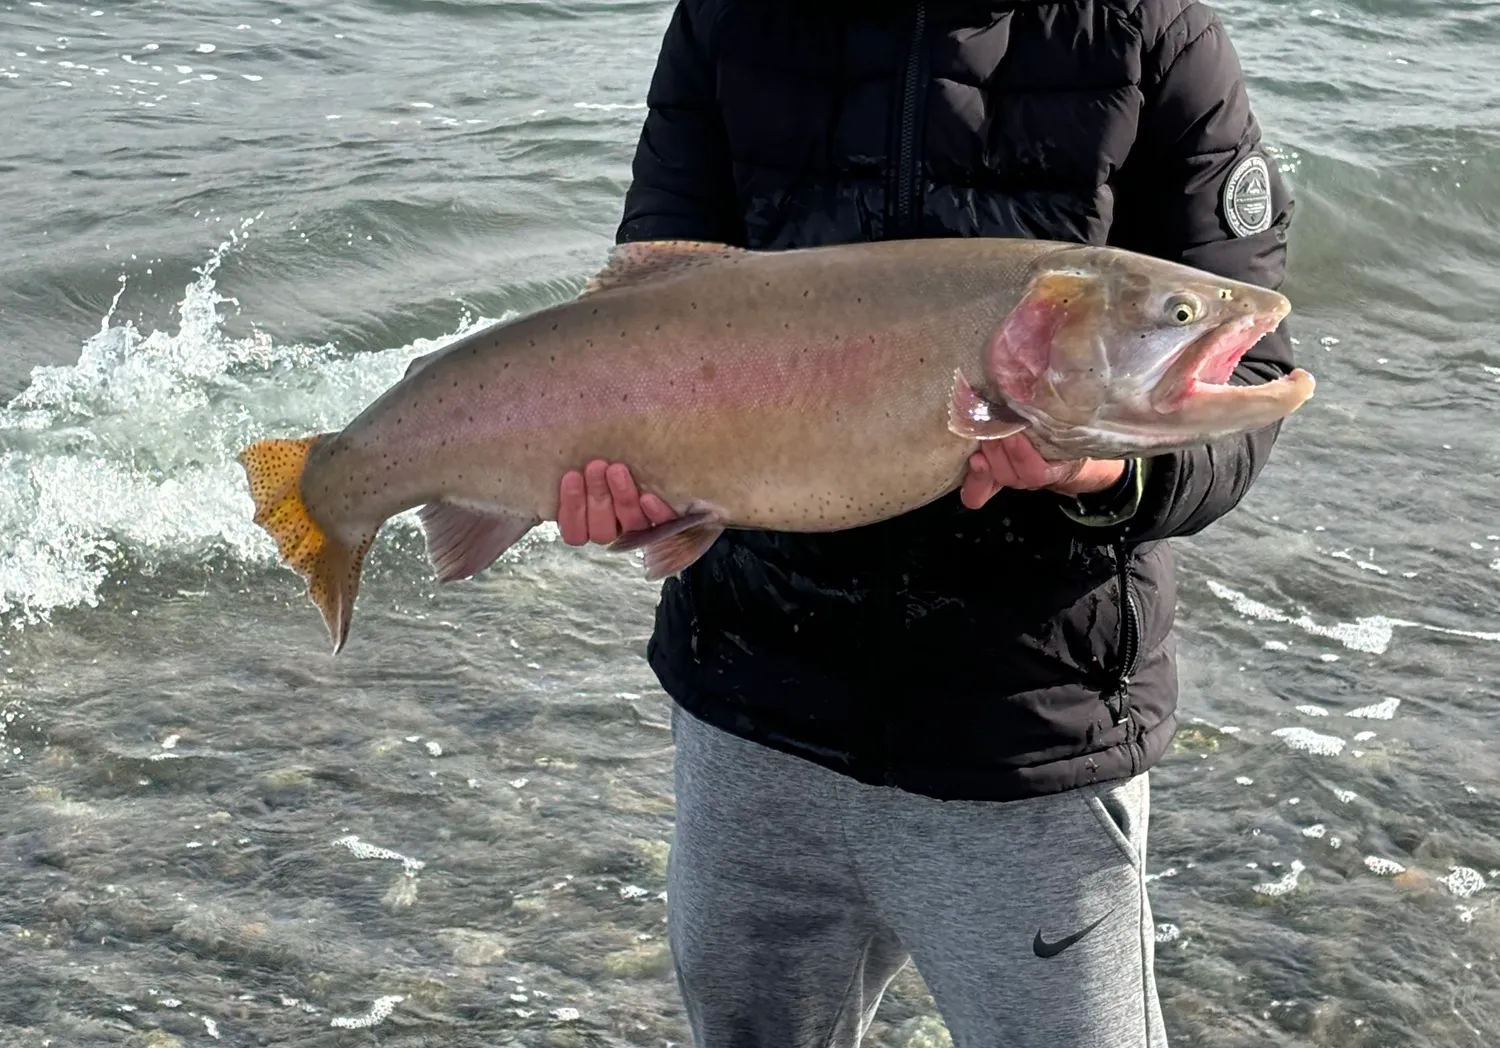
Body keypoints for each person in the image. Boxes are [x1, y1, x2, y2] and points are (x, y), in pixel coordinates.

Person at [555, 1, 1296, 1045]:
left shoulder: (1154, 36)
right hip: (753, 714)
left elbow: (1250, 381)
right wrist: (645, 486)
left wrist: (1099, 473)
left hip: (1026, 739)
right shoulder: (727, 18)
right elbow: (652, 307)